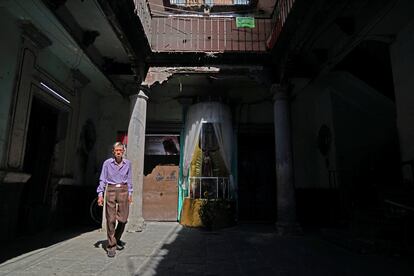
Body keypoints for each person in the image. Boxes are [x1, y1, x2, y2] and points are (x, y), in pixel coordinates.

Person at [97, 142, 132, 257]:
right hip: (111, 190)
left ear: (123, 152)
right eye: (116, 150)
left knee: (123, 219)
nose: (118, 152)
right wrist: (100, 194)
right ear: (113, 151)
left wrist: (130, 193)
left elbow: (130, 179)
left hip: (123, 189)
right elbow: (102, 179)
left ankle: (116, 238)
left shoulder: (128, 164)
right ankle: (111, 246)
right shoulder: (107, 163)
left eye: (120, 150)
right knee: (110, 219)